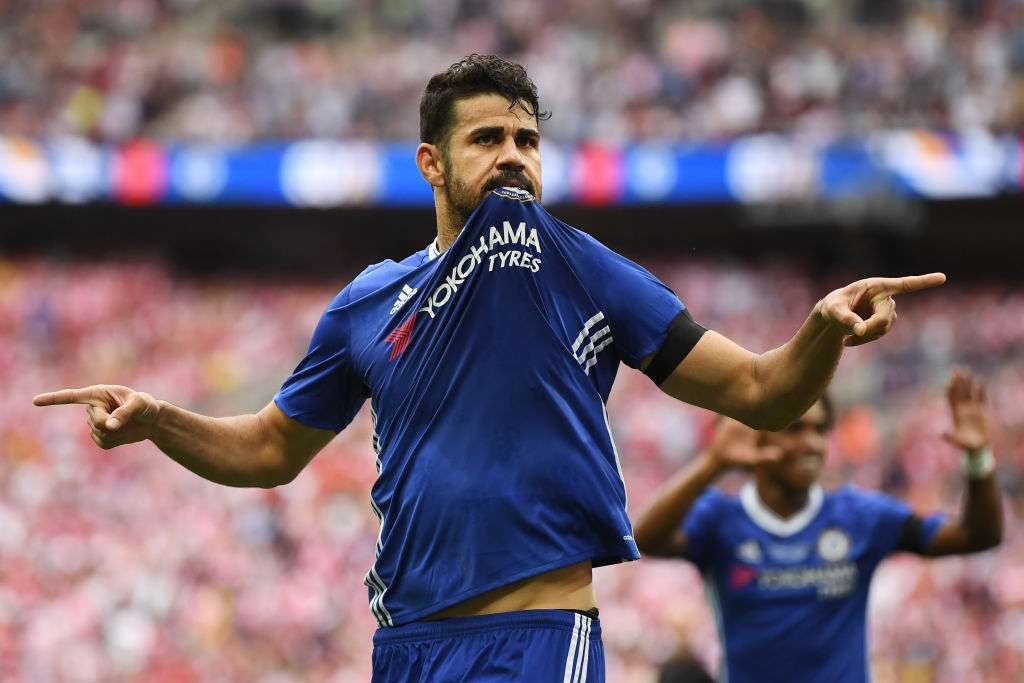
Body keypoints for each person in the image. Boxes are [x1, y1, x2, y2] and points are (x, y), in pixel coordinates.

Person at [33, 54, 946, 681]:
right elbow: (270, 449)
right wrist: (159, 419)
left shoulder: (576, 263)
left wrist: (822, 331)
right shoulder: (367, 302)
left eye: (528, 139)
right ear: (432, 162)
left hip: (538, 636)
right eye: (488, 140)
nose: (514, 155)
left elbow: (761, 391)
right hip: (409, 645)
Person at [632, 369, 1003, 683]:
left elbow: (976, 535)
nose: (812, 443)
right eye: (795, 429)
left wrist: (979, 459)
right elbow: (647, 538)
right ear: (757, 436)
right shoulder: (721, 519)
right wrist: (714, 462)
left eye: (820, 430)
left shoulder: (861, 517)